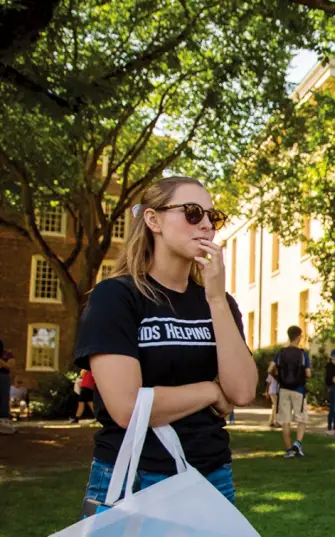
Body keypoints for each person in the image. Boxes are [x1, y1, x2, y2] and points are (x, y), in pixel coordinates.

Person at [74, 176, 256, 507]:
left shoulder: (220, 303)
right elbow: (127, 408)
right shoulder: (116, 297)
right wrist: (212, 391)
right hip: (135, 477)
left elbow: (242, 392)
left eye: (212, 217)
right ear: (153, 220)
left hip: (211, 475)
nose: (205, 225)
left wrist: (215, 299)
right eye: (191, 212)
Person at [268, 325, 311, 457]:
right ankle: (297, 443)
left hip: (284, 389)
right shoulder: (303, 354)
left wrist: (279, 377)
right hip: (299, 389)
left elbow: (270, 369)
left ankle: (289, 451)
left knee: (285, 420)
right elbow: (308, 373)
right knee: (301, 419)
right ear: (298, 336)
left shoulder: (280, 353)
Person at [0, 341, 14, 434]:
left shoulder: (7, 354)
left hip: (3, 376)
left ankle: (3, 421)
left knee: (3, 398)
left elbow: (10, 365)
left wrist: (1, 362)